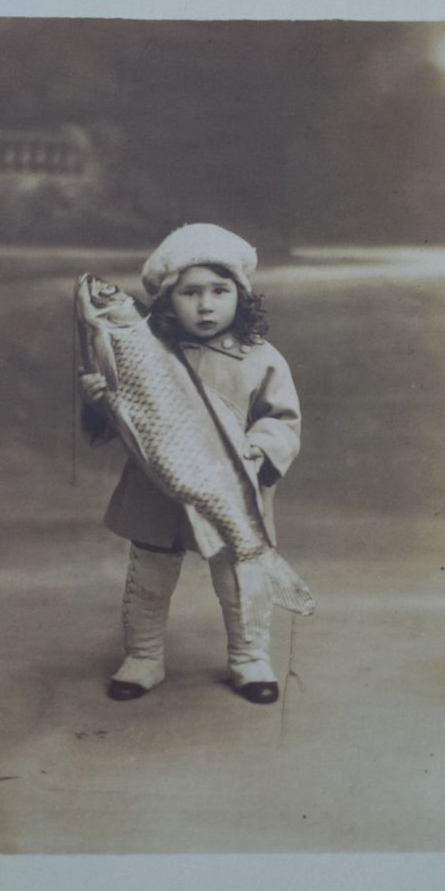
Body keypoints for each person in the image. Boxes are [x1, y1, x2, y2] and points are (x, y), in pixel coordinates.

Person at [78, 223, 302, 705]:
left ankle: (249, 657)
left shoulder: (261, 359)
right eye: (190, 293)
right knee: (150, 578)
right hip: (156, 489)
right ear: (165, 300)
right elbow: (118, 424)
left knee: (239, 574)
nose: (205, 305)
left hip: (229, 491)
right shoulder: (145, 352)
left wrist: (261, 449)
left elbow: (282, 420)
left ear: (241, 296)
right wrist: (98, 401)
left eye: (219, 291)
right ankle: (143, 656)